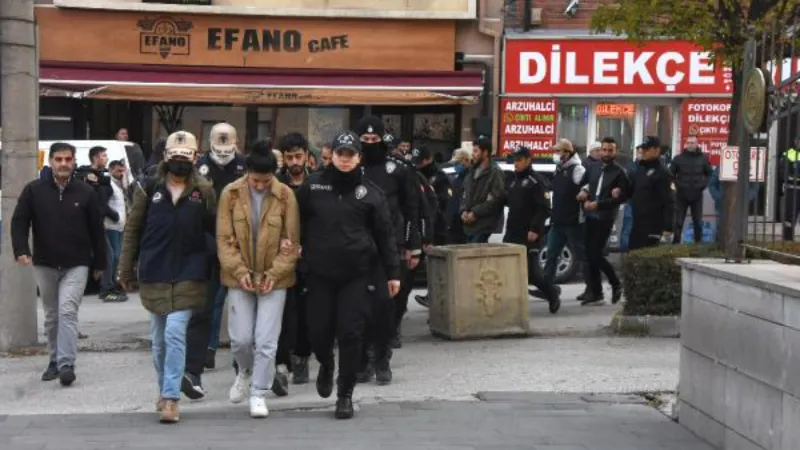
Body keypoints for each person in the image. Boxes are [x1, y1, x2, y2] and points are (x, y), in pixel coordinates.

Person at [295, 131, 401, 419]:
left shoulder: (370, 193)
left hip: (356, 274)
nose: (345, 159)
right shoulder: (313, 186)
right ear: (334, 155)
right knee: (318, 332)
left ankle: (345, 394)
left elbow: (385, 235)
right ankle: (326, 364)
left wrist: (393, 273)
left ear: (358, 157)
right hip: (319, 274)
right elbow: (296, 223)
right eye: (340, 153)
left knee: (351, 333)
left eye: (350, 154)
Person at [118, 131, 217, 424]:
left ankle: (172, 397)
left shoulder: (205, 192)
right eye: (175, 158)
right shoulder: (149, 188)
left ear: (195, 158)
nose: (180, 163)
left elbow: (215, 231)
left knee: (175, 333)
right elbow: (132, 230)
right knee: (159, 340)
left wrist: (213, 261)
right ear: (166, 158)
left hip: (190, 273)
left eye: (185, 158)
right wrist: (125, 269)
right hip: (155, 271)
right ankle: (164, 390)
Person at [11, 142, 107, 387]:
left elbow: (97, 230)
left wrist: (100, 262)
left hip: (77, 264)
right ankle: (53, 361)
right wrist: (21, 249)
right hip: (44, 264)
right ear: (50, 162)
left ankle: (66, 364)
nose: (63, 164)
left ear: (74, 162)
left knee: (67, 311)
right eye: (59, 159)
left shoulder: (86, 193)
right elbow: (19, 221)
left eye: (68, 159)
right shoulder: (34, 191)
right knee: (52, 316)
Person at [217, 144, 300, 418]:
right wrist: (239, 272)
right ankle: (244, 371)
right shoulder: (230, 194)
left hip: (274, 278)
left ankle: (259, 392)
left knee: (266, 341)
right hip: (239, 275)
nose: (261, 186)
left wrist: (274, 274)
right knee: (240, 339)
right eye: (256, 181)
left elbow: (291, 244)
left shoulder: (286, 196)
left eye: (266, 181)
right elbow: (224, 240)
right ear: (247, 173)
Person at [355, 116, 420, 385]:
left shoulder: (399, 170)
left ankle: (382, 360)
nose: (370, 144)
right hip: (356, 249)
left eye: (375, 140)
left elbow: (412, 210)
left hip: (388, 249)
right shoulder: (350, 168)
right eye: (365, 140)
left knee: (384, 308)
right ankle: (361, 362)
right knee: (358, 310)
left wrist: (412, 246)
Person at [184, 123, 246, 398]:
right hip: (207, 247)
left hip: (241, 249)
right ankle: (192, 372)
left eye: (227, 147)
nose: (222, 154)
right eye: (218, 148)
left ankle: (244, 369)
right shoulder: (197, 169)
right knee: (202, 311)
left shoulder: (245, 166)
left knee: (243, 312)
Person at [274, 132, 313, 391]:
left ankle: (302, 357)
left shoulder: (317, 184)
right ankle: (282, 362)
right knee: (284, 313)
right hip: (282, 258)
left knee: (308, 313)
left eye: (298, 156)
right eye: (290, 157)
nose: (294, 161)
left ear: (307, 157)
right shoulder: (276, 185)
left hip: (311, 258)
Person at [503, 146, 560, 313]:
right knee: (511, 270)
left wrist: (535, 228)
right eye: (515, 160)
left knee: (532, 273)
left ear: (528, 160)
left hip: (529, 233)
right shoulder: (514, 181)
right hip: (513, 231)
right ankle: (514, 304)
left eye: (519, 160)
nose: (516, 163)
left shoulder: (536, 181)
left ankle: (551, 294)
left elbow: (544, 208)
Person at [576, 137, 628, 305]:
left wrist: (598, 204)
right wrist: (583, 191)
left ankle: (615, 283)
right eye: (604, 150)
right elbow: (586, 183)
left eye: (610, 150)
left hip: (604, 217)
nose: (606, 153)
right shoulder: (593, 167)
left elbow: (619, 199)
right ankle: (596, 291)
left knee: (595, 254)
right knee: (589, 255)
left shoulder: (620, 172)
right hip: (589, 215)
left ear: (615, 151)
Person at [543, 139, 588, 291]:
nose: (555, 154)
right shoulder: (559, 169)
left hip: (573, 221)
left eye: (558, 151)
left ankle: (593, 288)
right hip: (558, 221)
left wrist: (585, 191)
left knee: (582, 255)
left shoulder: (577, 169)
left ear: (567, 153)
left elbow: (588, 184)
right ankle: (547, 287)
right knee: (551, 254)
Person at [627, 136, 675, 250]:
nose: (643, 151)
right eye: (642, 149)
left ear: (657, 150)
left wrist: (668, 229)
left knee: (646, 258)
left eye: (647, 149)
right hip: (638, 223)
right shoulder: (640, 168)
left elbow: (670, 202)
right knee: (633, 255)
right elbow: (632, 190)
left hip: (653, 226)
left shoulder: (663, 172)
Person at [460, 136, 506, 243]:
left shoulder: (495, 172)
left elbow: (496, 200)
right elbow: (464, 194)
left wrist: (475, 212)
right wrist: (463, 211)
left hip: (485, 227)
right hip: (469, 227)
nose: (473, 154)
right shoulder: (471, 171)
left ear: (485, 153)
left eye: (476, 151)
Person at [669, 135, 712, 244]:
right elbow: (670, 175)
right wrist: (676, 186)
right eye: (689, 142)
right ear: (685, 144)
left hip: (697, 195)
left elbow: (710, 173)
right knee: (678, 222)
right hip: (681, 195)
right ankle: (675, 245)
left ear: (697, 144)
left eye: (693, 142)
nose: (691, 145)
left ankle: (697, 245)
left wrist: (703, 185)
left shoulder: (703, 158)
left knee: (697, 222)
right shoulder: (678, 158)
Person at [446, 148, 472, 244]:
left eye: (457, 163)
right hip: (454, 225)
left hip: (464, 225)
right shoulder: (457, 178)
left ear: (466, 160)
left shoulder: (472, 178)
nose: (455, 166)